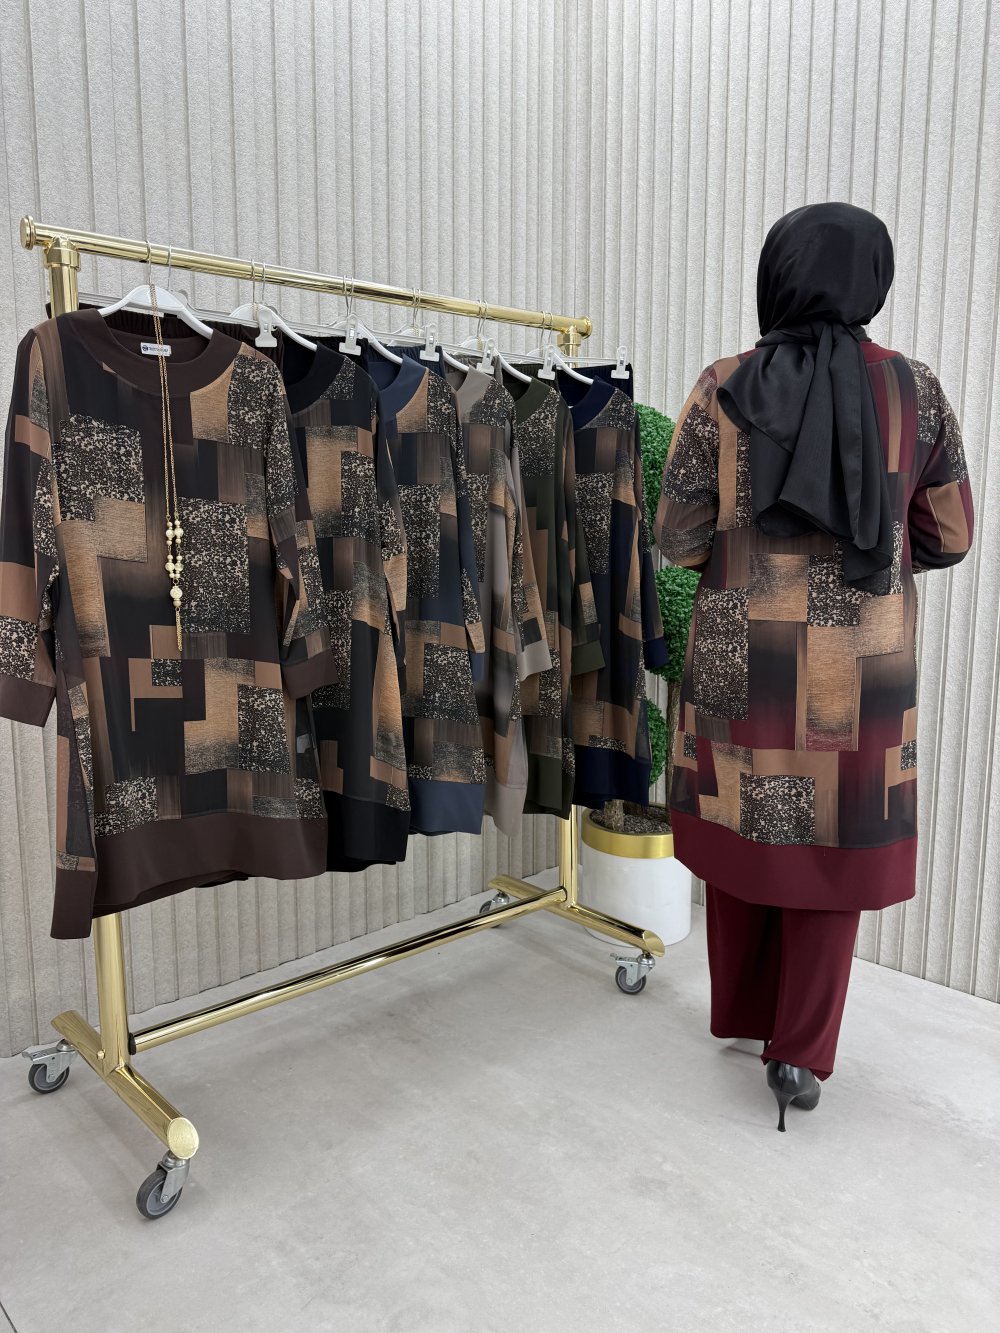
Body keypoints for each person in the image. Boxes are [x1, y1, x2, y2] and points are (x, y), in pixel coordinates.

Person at [654, 202, 974, 1130]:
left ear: (777, 273)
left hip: (742, 657)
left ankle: (744, 1013)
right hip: (861, 669)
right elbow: (950, 534)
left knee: (745, 827)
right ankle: (800, 1051)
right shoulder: (915, 393)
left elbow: (678, 536)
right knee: (833, 849)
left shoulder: (722, 386)